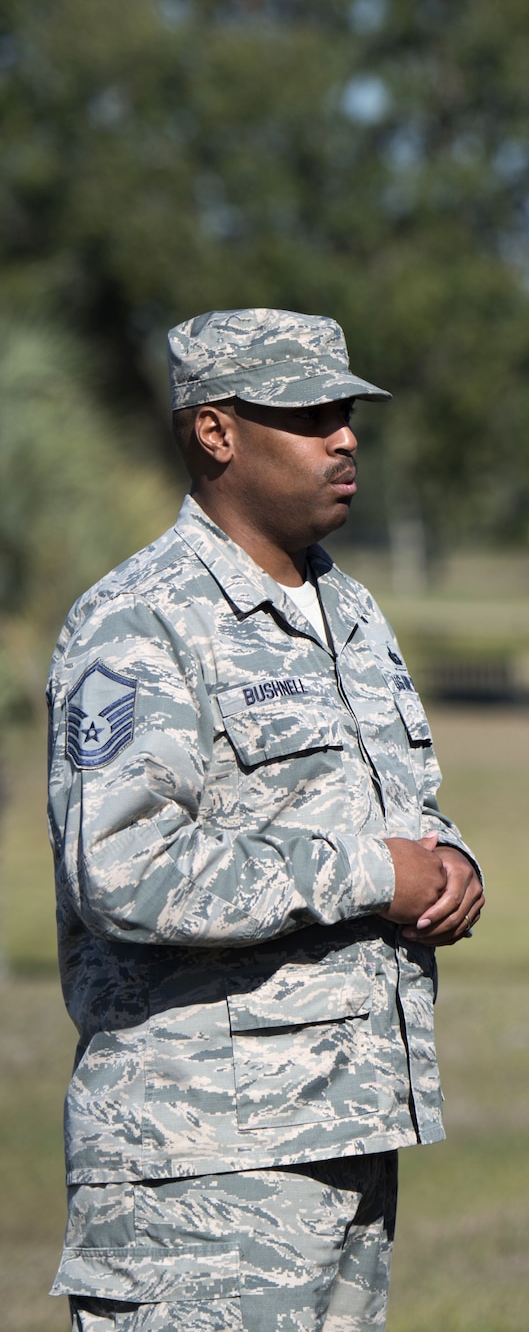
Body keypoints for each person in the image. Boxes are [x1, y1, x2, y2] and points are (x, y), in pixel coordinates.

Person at [45, 308, 484, 1331]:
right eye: (310, 412)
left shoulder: (351, 612)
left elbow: (393, 807)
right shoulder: (140, 619)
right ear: (215, 431)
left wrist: (448, 860)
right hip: (198, 1167)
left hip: (343, 1132)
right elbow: (120, 867)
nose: (345, 436)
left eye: (347, 411)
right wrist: (373, 874)